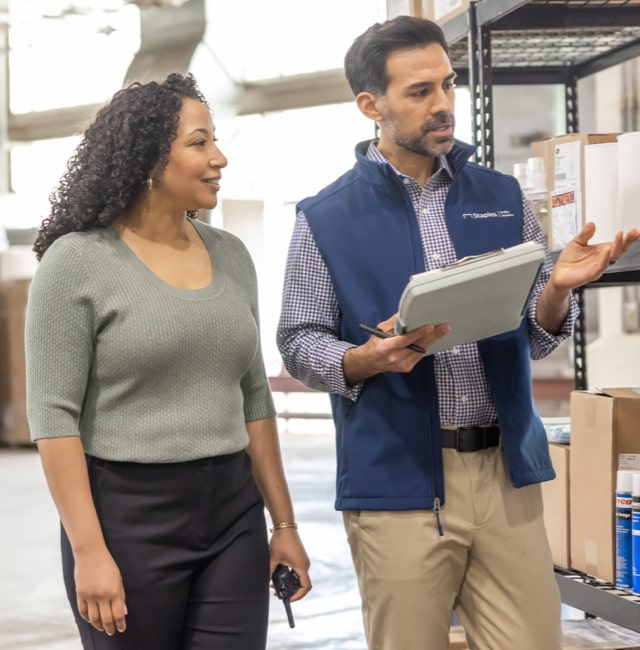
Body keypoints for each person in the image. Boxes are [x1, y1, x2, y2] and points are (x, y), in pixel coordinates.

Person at [276, 15, 639, 650]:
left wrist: (556, 289)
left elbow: (537, 335)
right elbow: (300, 341)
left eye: (447, 84)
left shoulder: (501, 196)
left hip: (507, 475)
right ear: (371, 105)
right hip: (398, 482)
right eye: (420, 92)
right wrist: (367, 359)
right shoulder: (324, 217)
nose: (443, 105)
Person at [25, 72, 311, 650]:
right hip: (127, 516)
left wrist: (283, 526)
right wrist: (89, 551)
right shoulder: (76, 261)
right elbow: (54, 419)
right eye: (200, 143)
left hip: (231, 510)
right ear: (149, 158)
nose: (219, 158)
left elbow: (254, 396)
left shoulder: (231, 255)